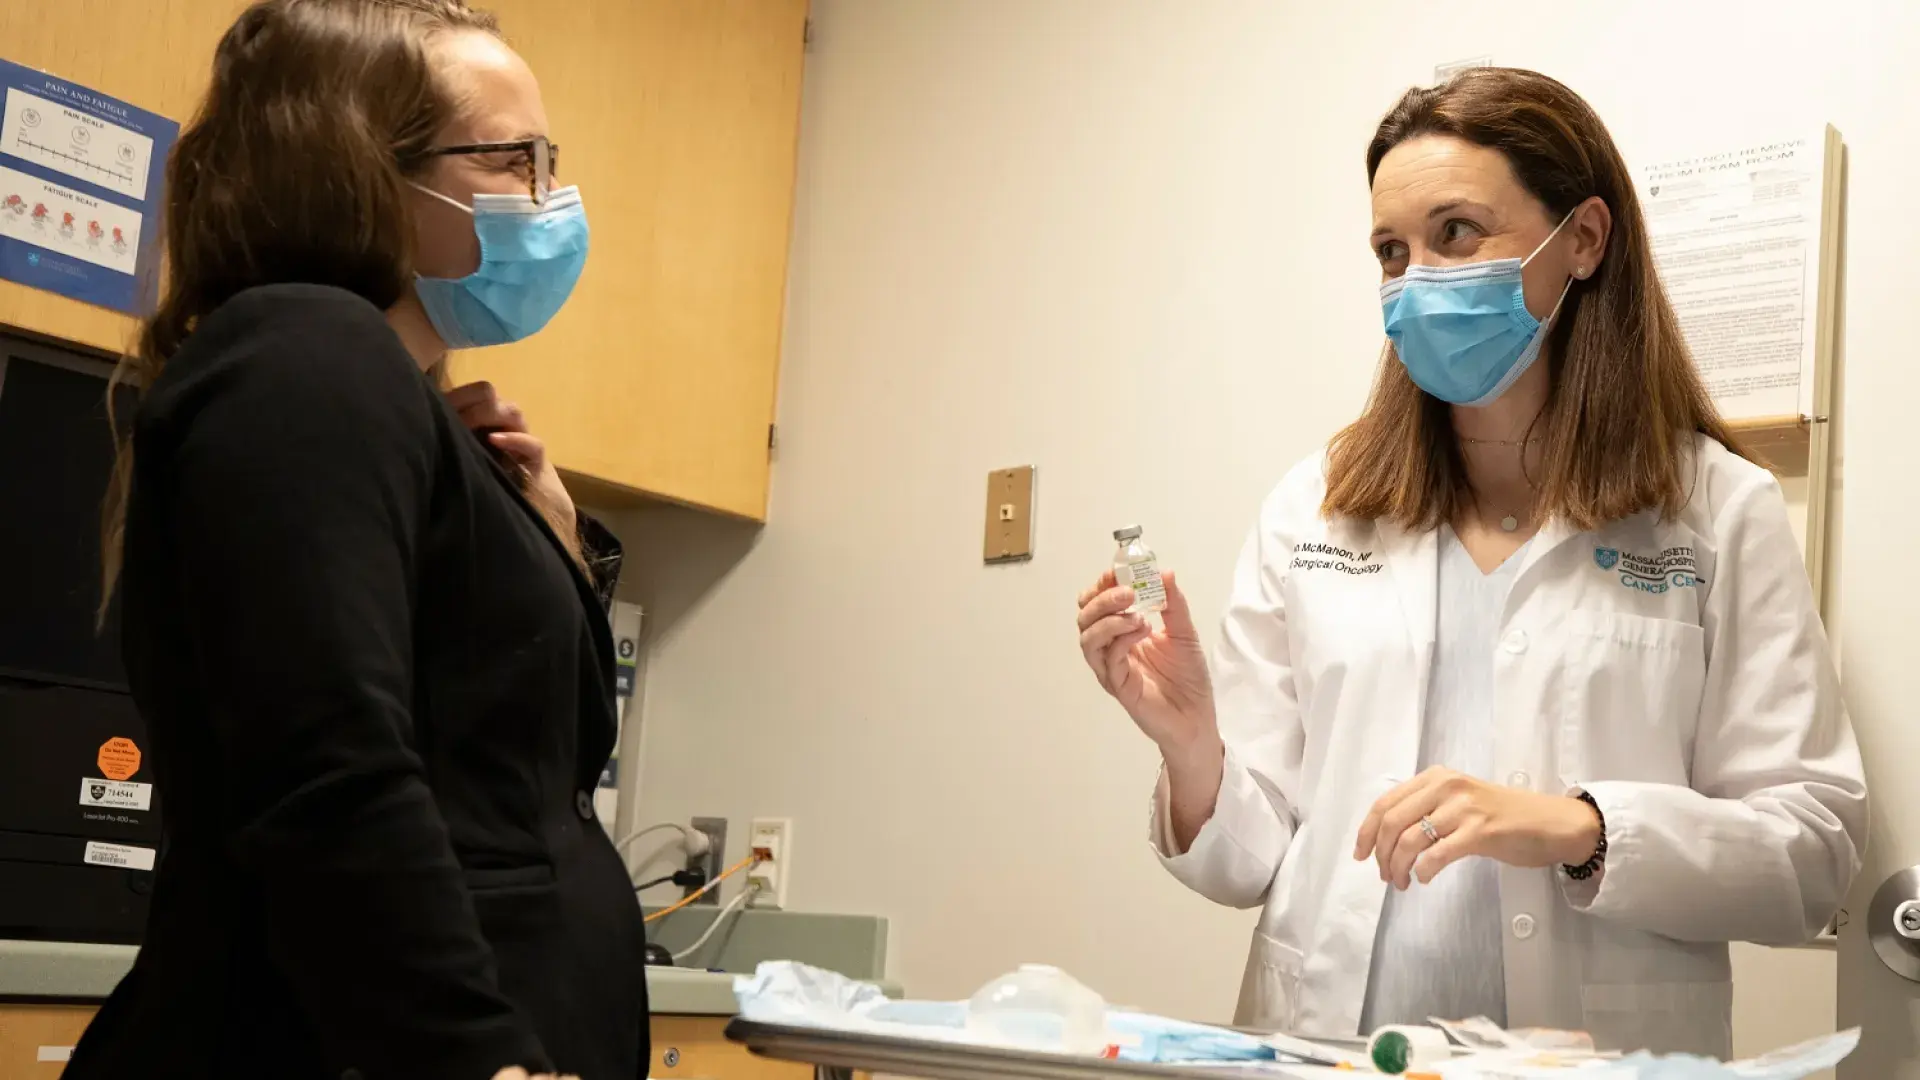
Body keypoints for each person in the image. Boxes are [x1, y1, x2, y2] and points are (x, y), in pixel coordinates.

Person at [1075, 67, 1865, 1057]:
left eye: (1456, 233)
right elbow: (1247, 862)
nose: (1418, 280)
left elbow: (1813, 852)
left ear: (1582, 239)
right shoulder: (1315, 506)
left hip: (1594, 1059)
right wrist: (1191, 745)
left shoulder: (1713, 514)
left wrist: (1579, 825)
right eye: (1391, 252)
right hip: (1331, 1052)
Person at [68, 1, 642, 1077]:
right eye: (514, 159)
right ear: (365, 171)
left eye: (550, 158)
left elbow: (501, 752)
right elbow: (329, 766)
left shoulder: (391, 401)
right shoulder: (304, 353)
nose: (551, 195)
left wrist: (557, 537)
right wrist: (474, 1058)